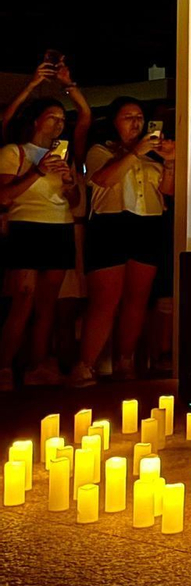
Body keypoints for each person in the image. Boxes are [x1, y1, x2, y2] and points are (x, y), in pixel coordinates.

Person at [73, 98, 175, 385]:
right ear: (114, 122)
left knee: (137, 299)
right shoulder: (101, 150)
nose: (136, 122)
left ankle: (125, 360)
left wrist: (170, 161)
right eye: (128, 117)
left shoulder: (152, 156)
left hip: (148, 224)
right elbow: (103, 179)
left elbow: (168, 191)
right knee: (105, 300)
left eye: (139, 116)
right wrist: (135, 151)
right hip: (111, 224)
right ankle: (85, 364)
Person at [0, 82, 87, 387]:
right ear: (36, 121)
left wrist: (70, 184)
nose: (59, 124)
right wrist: (37, 171)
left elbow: (74, 202)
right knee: (23, 298)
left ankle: (37, 365)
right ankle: (5, 366)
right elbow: (4, 196)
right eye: (52, 117)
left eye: (62, 119)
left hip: (59, 226)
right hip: (26, 226)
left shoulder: (64, 156)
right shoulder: (15, 152)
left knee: (48, 303)